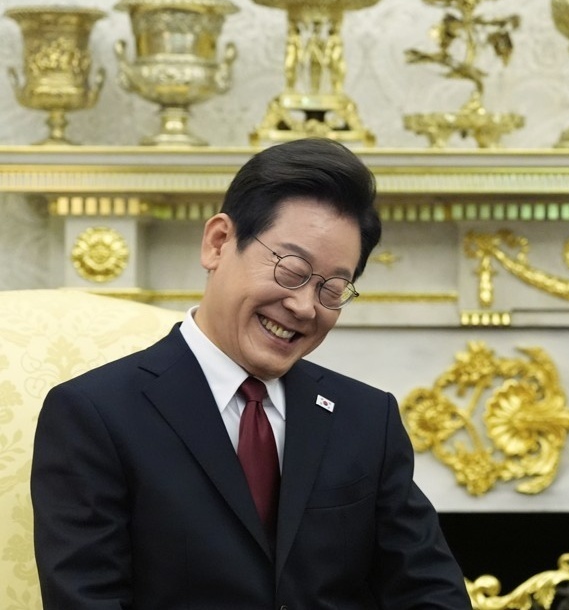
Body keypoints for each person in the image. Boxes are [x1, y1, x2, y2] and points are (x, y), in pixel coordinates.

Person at [32, 138, 470, 609]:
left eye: (333, 289)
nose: (304, 307)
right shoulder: (95, 415)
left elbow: (431, 591)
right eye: (291, 270)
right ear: (218, 242)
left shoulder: (367, 418)